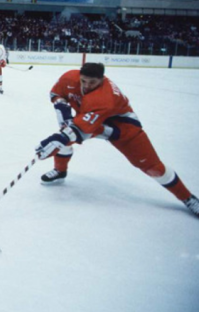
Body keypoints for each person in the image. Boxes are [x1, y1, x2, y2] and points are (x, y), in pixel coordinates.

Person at [35, 62, 199, 217]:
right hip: (88, 119)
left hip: (122, 127)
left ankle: (187, 198)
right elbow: (56, 94)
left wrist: (64, 133)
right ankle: (60, 171)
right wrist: (64, 115)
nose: (86, 86)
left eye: (92, 82)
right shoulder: (70, 77)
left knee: (152, 167)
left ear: (102, 79)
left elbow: (81, 129)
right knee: (62, 141)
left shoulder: (105, 98)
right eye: (83, 81)